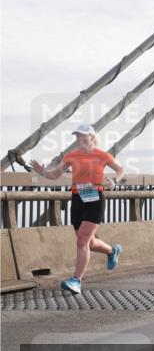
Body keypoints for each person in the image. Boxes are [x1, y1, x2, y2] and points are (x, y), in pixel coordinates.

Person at [29, 124, 125, 294]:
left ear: (91, 137)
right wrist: (42, 172)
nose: (78, 138)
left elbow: (120, 169)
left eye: (82, 135)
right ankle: (112, 251)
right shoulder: (71, 156)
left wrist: (114, 181)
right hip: (77, 199)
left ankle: (76, 281)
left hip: (95, 199)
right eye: (76, 135)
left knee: (81, 240)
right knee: (90, 242)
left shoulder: (103, 155)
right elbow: (55, 174)